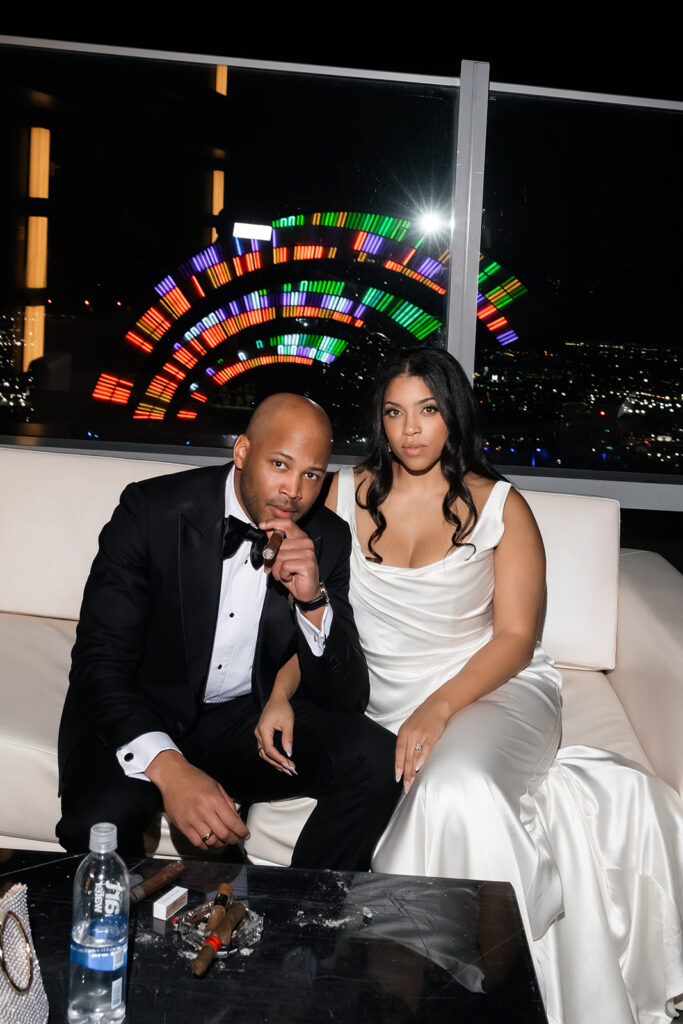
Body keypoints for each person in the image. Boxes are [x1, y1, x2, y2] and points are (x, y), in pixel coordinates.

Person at [255, 349, 683, 1024]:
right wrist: (280, 692)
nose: (410, 430)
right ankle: (401, 1003)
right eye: (394, 413)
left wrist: (438, 708)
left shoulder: (501, 506)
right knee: (424, 782)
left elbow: (515, 638)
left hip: (488, 689)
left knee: (453, 786)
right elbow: (313, 616)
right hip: (379, 697)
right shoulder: (342, 494)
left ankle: (492, 995)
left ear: (452, 415)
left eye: (427, 410)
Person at [57, 393, 400, 868]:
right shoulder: (151, 510)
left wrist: (312, 599)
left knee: (376, 759)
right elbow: (99, 664)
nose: (294, 491)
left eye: (312, 475)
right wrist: (171, 768)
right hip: (138, 709)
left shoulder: (327, 538)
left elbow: (347, 695)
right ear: (242, 452)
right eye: (280, 464)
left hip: (238, 720)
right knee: (102, 823)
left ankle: (302, 915)